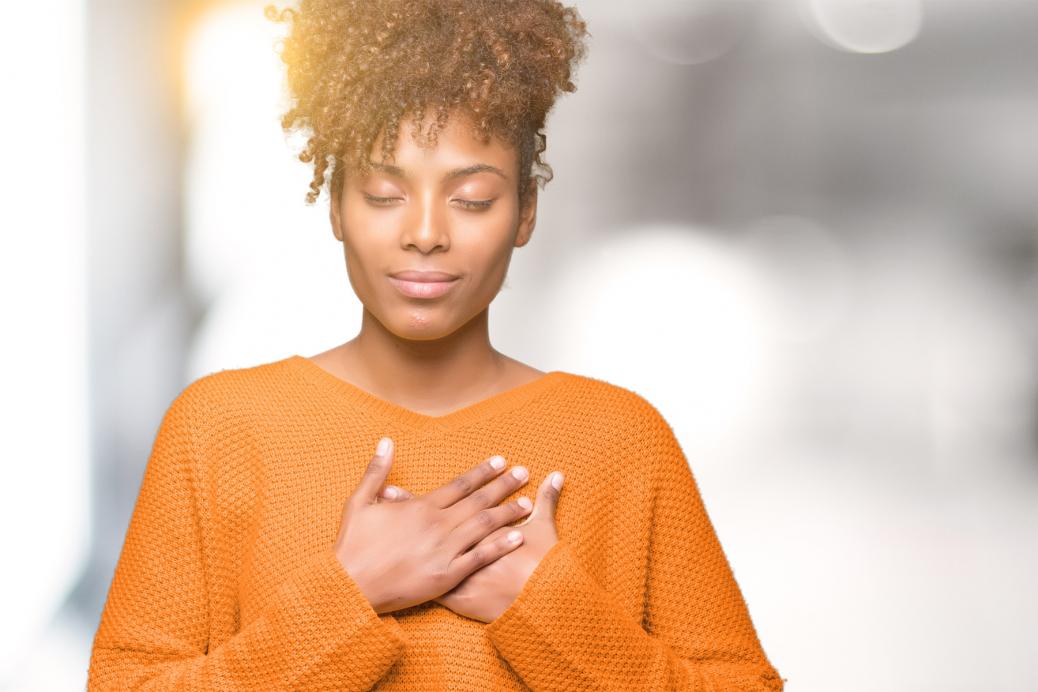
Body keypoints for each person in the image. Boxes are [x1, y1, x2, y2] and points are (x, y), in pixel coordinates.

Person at [87, 0, 785, 689]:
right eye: (384, 194)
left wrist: (545, 607)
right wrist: (348, 596)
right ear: (334, 207)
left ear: (525, 213)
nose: (425, 232)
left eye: (472, 198)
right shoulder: (218, 431)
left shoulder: (623, 441)